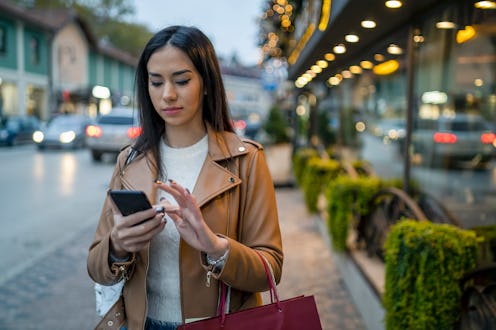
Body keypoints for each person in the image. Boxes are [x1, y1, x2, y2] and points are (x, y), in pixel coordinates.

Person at [87, 25, 283, 329]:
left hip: (219, 324)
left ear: (206, 83)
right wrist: (117, 246)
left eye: (181, 80)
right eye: (156, 82)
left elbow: (270, 267)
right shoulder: (130, 160)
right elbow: (96, 267)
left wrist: (216, 248)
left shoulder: (246, 159)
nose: (168, 94)